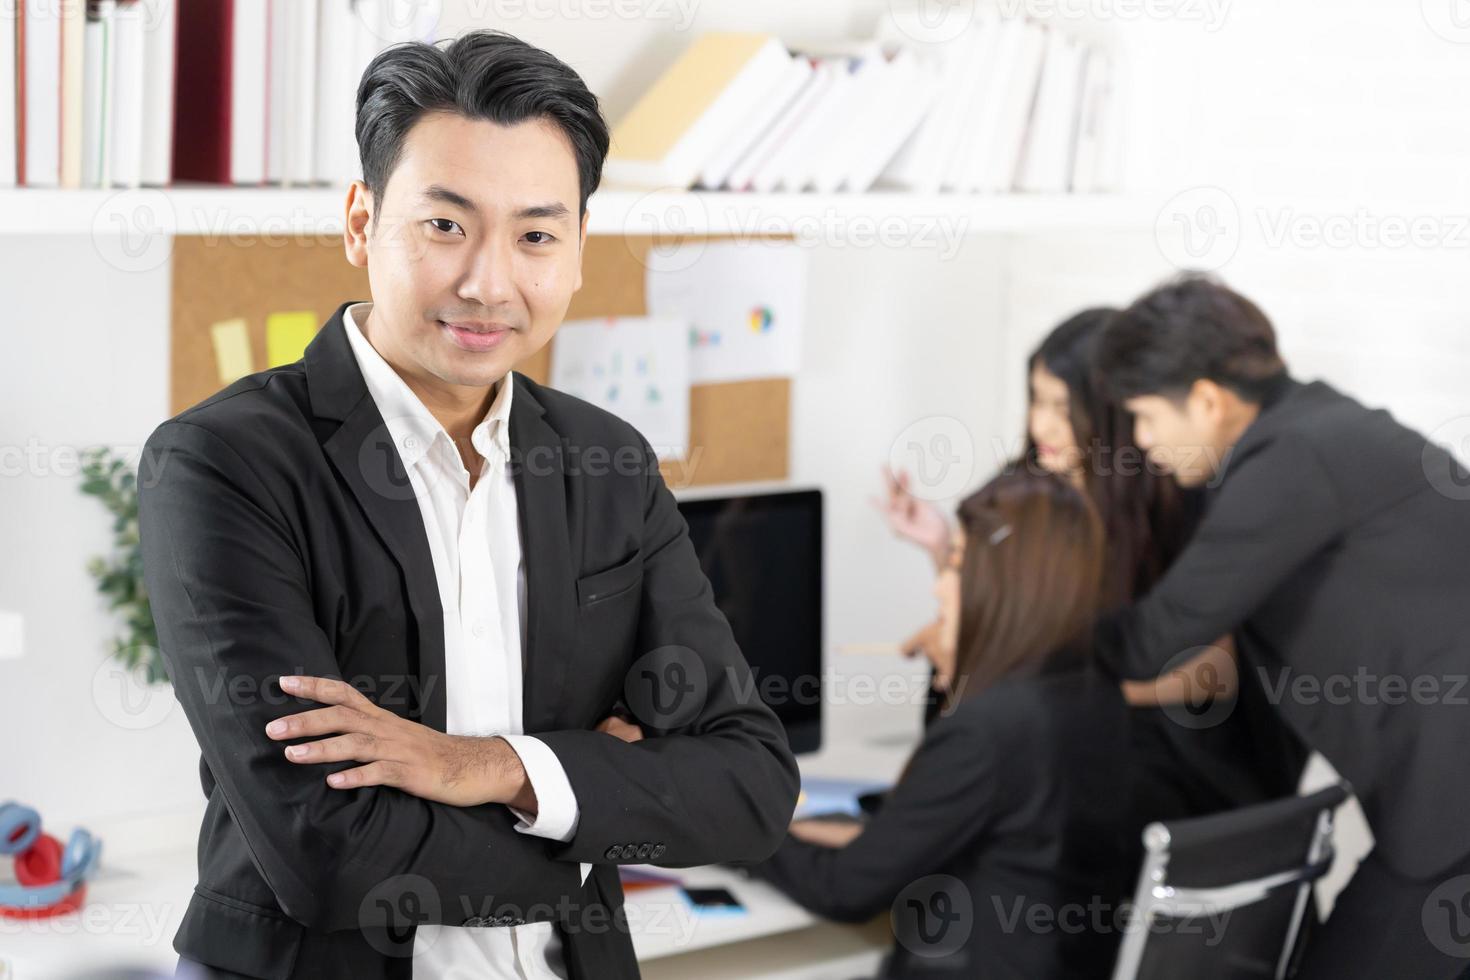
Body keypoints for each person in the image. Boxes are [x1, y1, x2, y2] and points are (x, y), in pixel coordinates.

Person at [139, 31, 798, 980]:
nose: (491, 282)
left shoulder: (606, 460)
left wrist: (480, 766)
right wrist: (588, 821)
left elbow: (751, 785)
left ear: (576, 252)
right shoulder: (224, 465)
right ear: (362, 222)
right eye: (446, 225)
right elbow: (326, 849)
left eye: (535, 234)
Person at [1092, 273, 1470, 978]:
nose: (1141, 442)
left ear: (1206, 400)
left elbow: (1157, 639)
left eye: (1144, 417)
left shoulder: (1291, 463)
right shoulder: (1330, 427)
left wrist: (1024, 647)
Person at [879, 309, 1307, 826]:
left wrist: (1057, 692)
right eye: (1036, 400)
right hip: (1052, 728)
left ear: (1112, 413)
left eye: (1063, 407)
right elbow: (998, 609)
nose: (1042, 425)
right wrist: (941, 546)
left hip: (1145, 744)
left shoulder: (1174, 503)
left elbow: (1210, 672)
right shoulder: (1019, 489)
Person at [747, 468, 1140, 978]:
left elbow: (843, 889)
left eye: (955, 564)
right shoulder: (1096, 694)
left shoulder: (989, 730)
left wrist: (737, 829)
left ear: (1001, 586)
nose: (940, 590)